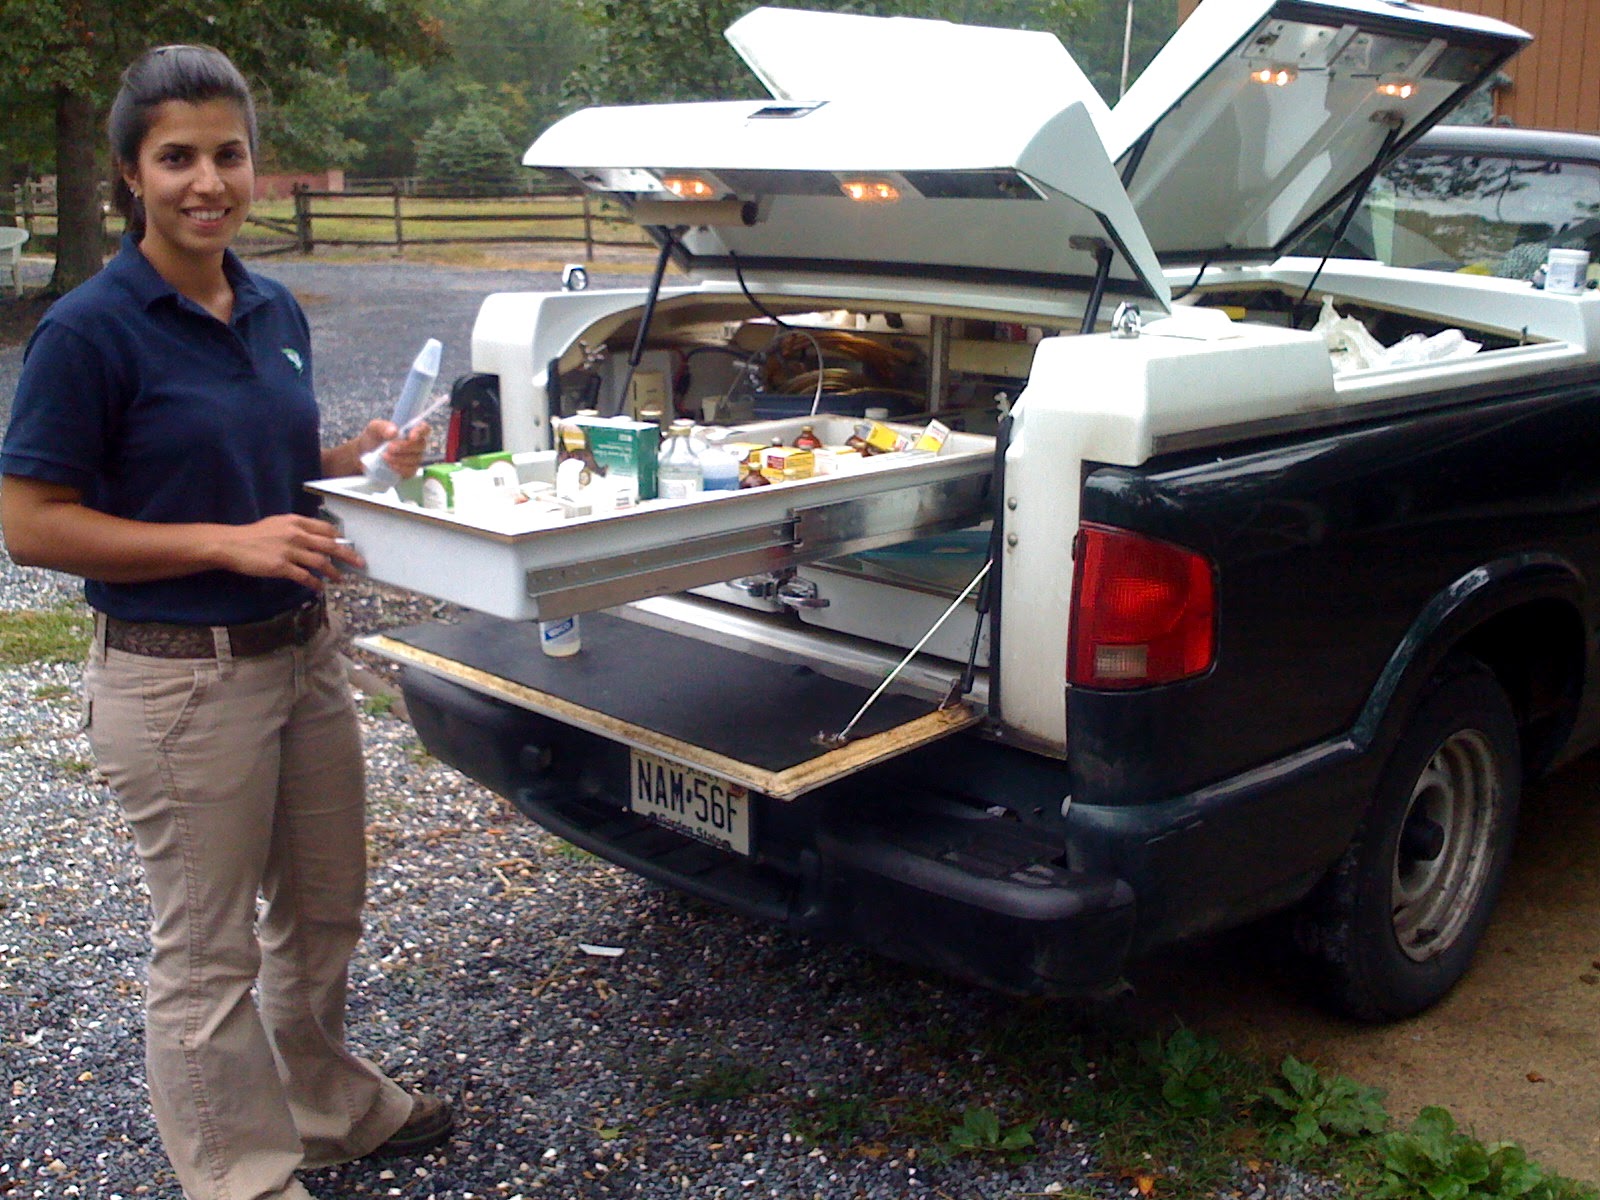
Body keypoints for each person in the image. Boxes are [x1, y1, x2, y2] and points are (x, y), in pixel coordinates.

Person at [0, 45, 450, 1200]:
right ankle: (240, 1176)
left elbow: (274, 464)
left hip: (300, 658)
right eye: (177, 157)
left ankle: (327, 1105)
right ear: (130, 174)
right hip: (177, 681)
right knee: (207, 954)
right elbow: (33, 527)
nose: (208, 180)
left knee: (322, 909)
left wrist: (360, 462)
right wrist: (224, 543)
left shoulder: (267, 303)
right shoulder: (89, 331)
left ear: (257, 166)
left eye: (228, 154)